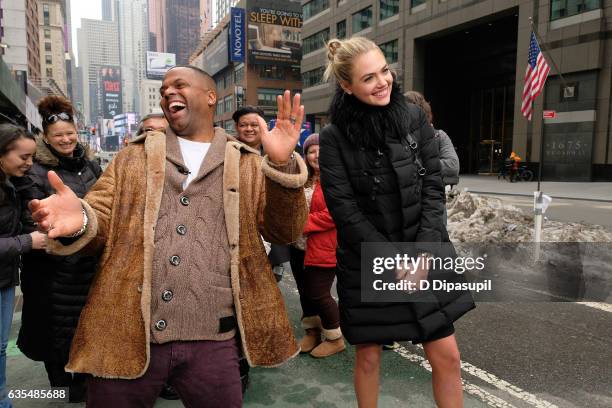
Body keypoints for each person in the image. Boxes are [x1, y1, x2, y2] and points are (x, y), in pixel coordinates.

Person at [28, 65, 308, 407]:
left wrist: (281, 168)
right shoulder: (133, 156)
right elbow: (99, 215)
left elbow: (285, 230)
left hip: (214, 340)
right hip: (127, 333)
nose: (168, 94)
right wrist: (81, 221)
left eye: (179, 85)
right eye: (163, 90)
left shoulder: (246, 162)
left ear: (210, 97)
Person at [319, 37, 475, 408]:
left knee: (448, 356)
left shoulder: (413, 116)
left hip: (424, 252)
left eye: (385, 71)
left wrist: (421, 254)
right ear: (347, 86)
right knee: (370, 357)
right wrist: (394, 260)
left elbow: (433, 188)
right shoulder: (333, 137)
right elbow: (345, 210)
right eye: (369, 77)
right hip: (367, 261)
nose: (382, 82)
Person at [17, 96, 102, 403]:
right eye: (58, 136)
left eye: (70, 133)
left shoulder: (91, 166)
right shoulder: (36, 172)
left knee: (87, 326)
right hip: (53, 267)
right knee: (57, 332)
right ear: (46, 139)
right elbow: (31, 217)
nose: (66, 139)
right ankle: (63, 386)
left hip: (88, 263)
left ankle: (82, 382)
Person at [0, 123, 44, 408]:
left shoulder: (14, 184)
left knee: (1, 348)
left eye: (32, 157)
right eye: (23, 157)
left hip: (4, 280)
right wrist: (27, 242)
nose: (29, 164)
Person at [233, 105, 291, 283]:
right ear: (236, 127)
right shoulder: (227, 152)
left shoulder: (275, 152)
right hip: (237, 233)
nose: (249, 129)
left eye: (254, 124)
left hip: (270, 236)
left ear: (263, 126)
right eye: (243, 125)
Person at [299, 133, 345, 358]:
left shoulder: (335, 178)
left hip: (323, 244)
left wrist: (302, 224)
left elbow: (334, 213)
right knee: (306, 293)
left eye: (321, 150)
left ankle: (335, 338)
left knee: (319, 294)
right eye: (311, 151)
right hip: (299, 246)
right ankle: (312, 332)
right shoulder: (303, 177)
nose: (316, 155)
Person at [404, 91, 459, 225]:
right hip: (405, 207)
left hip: (434, 202)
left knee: (434, 242)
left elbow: (452, 166)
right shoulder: (396, 138)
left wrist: (416, 165)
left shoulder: (439, 136)